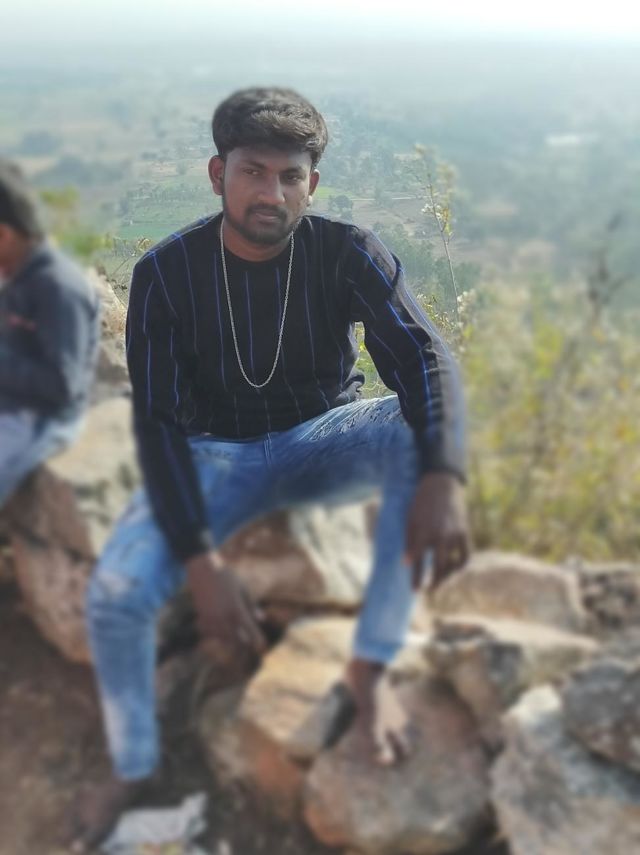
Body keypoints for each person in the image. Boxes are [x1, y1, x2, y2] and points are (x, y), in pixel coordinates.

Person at [73, 87, 470, 851]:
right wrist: (200, 559)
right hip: (213, 455)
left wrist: (444, 476)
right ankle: (133, 764)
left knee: (418, 434)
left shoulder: (348, 251)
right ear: (217, 173)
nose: (272, 193)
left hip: (324, 438)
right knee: (116, 593)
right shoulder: (166, 272)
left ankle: (371, 668)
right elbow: (157, 425)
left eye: (290, 176)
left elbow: (422, 357)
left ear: (311, 184)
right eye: (253, 171)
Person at [0, 159, 100, 510]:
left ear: (4, 235)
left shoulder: (58, 288)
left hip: (40, 420)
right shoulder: (15, 275)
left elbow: (61, 385)